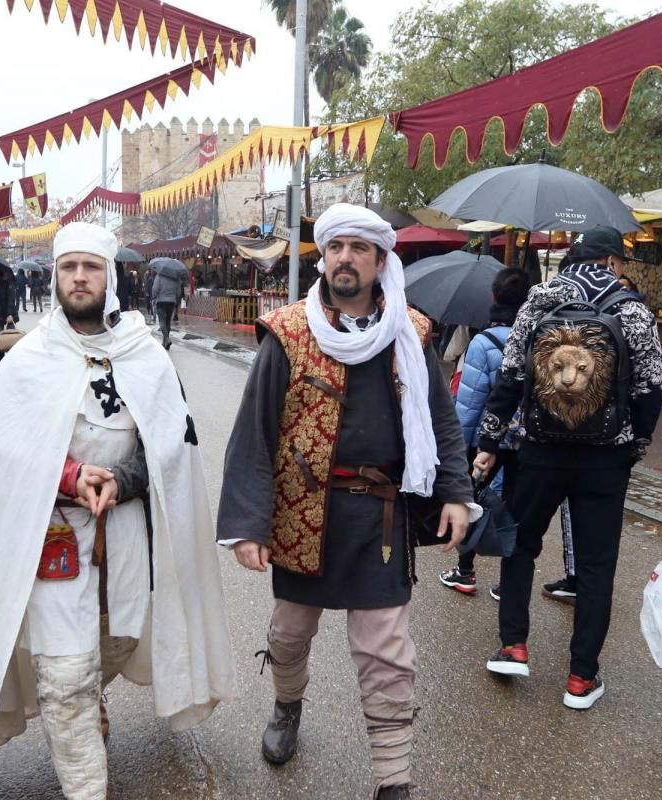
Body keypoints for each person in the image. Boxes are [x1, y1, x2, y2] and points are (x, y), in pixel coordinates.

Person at [0, 222, 235, 799]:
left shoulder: (146, 356)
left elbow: (171, 446)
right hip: (55, 535)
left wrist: (126, 478)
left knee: (116, 643)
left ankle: (92, 695)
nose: (79, 277)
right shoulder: (29, 360)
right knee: (63, 677)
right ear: (56, 277)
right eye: (68, 268)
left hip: (127, 535)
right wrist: (68, 475)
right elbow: (5, 452)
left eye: (91, 267)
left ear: (110, 278)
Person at [218, 203, 473, 800]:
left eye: (359, 249)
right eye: (336, 248)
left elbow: (440, 418)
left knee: (387, 650)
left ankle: (393, 778)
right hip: (303, 514)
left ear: (381, 261)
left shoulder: (411, 333)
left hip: (380, 516)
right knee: (289, 633)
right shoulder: (287, 332)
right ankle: (286, 707)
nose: (345, 259)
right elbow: (255, 433)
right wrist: (247, 524)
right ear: (324, 258)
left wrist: (457, 492)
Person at [474, 225, 662, 710]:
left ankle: (514, 645)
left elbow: (511, 375)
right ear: (613, 263)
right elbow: (649, 390)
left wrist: (491, 442)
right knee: (597, 566)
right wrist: (633, 446)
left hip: (539, 451)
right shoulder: (634, 309)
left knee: (520, 545)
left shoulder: (538, 299)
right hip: (605, 459)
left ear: (575, 257)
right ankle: (581, 677)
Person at [440, 266, 529, 595]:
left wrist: (459, 449)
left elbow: (469, 405)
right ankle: (509, 582)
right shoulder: (537, 337)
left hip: (486, 442)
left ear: (494, 298)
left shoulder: (483, 342)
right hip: (524, 441)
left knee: (473, 502)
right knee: (517, 509)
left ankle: (465, 571)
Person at [151, 264, 182, 350]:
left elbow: (155, 289)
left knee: (162, 321)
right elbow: (178, 292)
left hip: (161, 301)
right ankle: (165, 342)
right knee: (168, 322)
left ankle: (167, 338)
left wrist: (153, 296)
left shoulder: (159, 276)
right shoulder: (175, 278)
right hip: (171, 302)